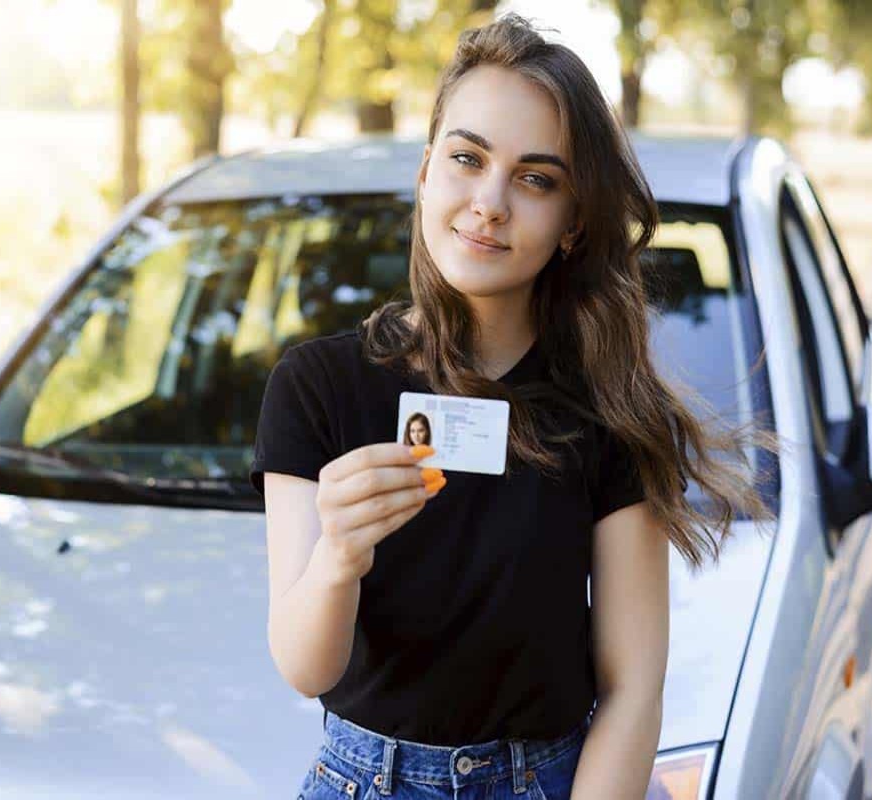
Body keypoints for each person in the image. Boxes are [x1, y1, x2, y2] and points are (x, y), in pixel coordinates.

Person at [249, 13, 773, 799]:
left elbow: (634, 688)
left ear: (572, 224)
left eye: (536, 178)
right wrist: (338, 558)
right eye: (467, 158)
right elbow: (304, 668)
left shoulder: (611, 409)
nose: (489, 201)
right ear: (427, 173)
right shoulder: (315, 387)